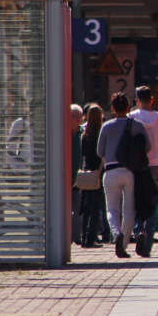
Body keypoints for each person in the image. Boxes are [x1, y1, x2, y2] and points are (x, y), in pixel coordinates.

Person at [97, 92, 150, 258]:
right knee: (129, 211)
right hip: (129, 172)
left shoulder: (106, 126)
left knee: (112, 209)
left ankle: (116, 233)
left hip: (110, 171)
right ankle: (125, 244)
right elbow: (147, 147)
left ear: (113, 109)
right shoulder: (137, 125)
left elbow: (99, 151)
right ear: (128, 107)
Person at [129, 85, 158, 257]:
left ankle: (138, 230)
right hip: (156, 166)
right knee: (153, 207)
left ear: (137, 101)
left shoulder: (131, 118)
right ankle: (147, 245)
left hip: (136, 167)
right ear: (152, 99)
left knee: (135, 202)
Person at [78, 104, 105, 248]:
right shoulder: (101, 134)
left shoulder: (84, 136)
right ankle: (90, 238)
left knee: (87, 207)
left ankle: (84, 237)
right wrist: (100, 170)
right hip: (98, 172)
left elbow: (83, 154)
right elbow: (102, 154)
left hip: (87, 172)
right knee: (96, 207)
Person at [70, 104, 84, 245]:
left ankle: (77, 237)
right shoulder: (62, 134)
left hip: (79, 177)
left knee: (78, 209)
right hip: (65, 177)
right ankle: (66, 236)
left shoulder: (84, 133)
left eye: (80, 116)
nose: (78, 119)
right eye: (75, 116)